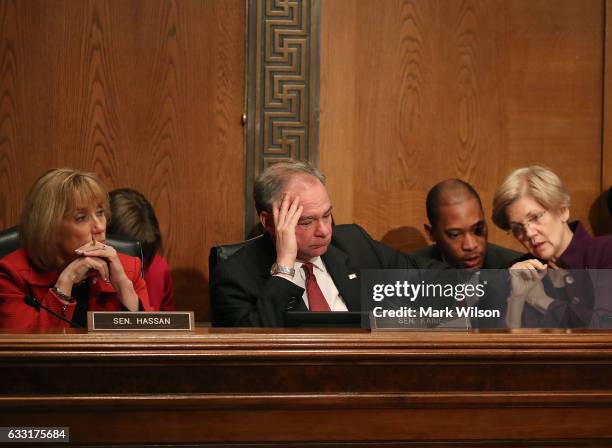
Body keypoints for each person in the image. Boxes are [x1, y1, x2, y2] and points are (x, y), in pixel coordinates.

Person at [210, 160, 420, 327]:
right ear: (269, 222)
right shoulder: (234, 276)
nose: (324, 231)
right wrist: (284, 266)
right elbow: (250, 351)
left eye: (327, 215)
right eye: (306, 221)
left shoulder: (353, 242)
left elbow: (428, 279)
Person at [0, 168, 151, 330]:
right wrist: (67, 280)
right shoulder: (11, 274)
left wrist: (122, 284)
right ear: (49, 228)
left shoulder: (128, 268)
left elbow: (150, 344)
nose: (100, 227)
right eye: (81, 218)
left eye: (100, 213)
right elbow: (23, 350)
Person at [492, 166, 612, 328]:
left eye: (535, 217)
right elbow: (502, 348)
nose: (528, 233)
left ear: (562, 210)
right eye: (517, 228)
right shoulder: (517, 272)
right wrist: (517, 298)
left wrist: (543, 302)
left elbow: (606, 326)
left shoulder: (606, 251)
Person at [411, 179, 520, 270]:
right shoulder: (410, 272)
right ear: (431, 233)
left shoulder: (514, 267)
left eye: (478, 230)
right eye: (455, 235)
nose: (471, 245)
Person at [108, 188, 174, 311]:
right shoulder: (89, 276)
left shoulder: (158, 267)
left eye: (146, 253)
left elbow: (168, 324)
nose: (138, 263)